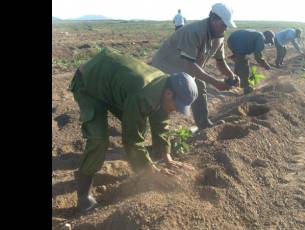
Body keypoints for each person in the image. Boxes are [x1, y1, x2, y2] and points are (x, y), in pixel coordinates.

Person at [69, 47, 197, 212]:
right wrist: (150, 172)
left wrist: (167, 155)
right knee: (99, 140)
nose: (176, 110)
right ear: (169, 94)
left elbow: (161, 121)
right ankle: (83, 195)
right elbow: (131, 140)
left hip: (111, 85)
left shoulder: (165, 85)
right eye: (177, 106)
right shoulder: (143, 95)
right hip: (88, 84)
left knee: (137, 123)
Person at [152, 3, 240, 130]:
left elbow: (220, 62)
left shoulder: (218, 37)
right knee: (167, 98)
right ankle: (160, 136)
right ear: (213, 19)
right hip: (167, 66)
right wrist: (215, 82)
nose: (225, 29)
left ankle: (203, 123)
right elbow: (189, 65)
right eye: (224, 25)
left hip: (188, 69)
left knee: (199, 87)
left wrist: (232, 76)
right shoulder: (194, 31)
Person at [227, 29, 275, 94]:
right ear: (267, 37)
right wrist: (266, 66)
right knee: (244, 65)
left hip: (232, 40)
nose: (267, 43)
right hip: (237, 43)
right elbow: (258, 56)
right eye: (269, 41)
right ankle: (246, 87)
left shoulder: (258, 34)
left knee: (239, 62)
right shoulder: (261, 38)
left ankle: (233, 82)